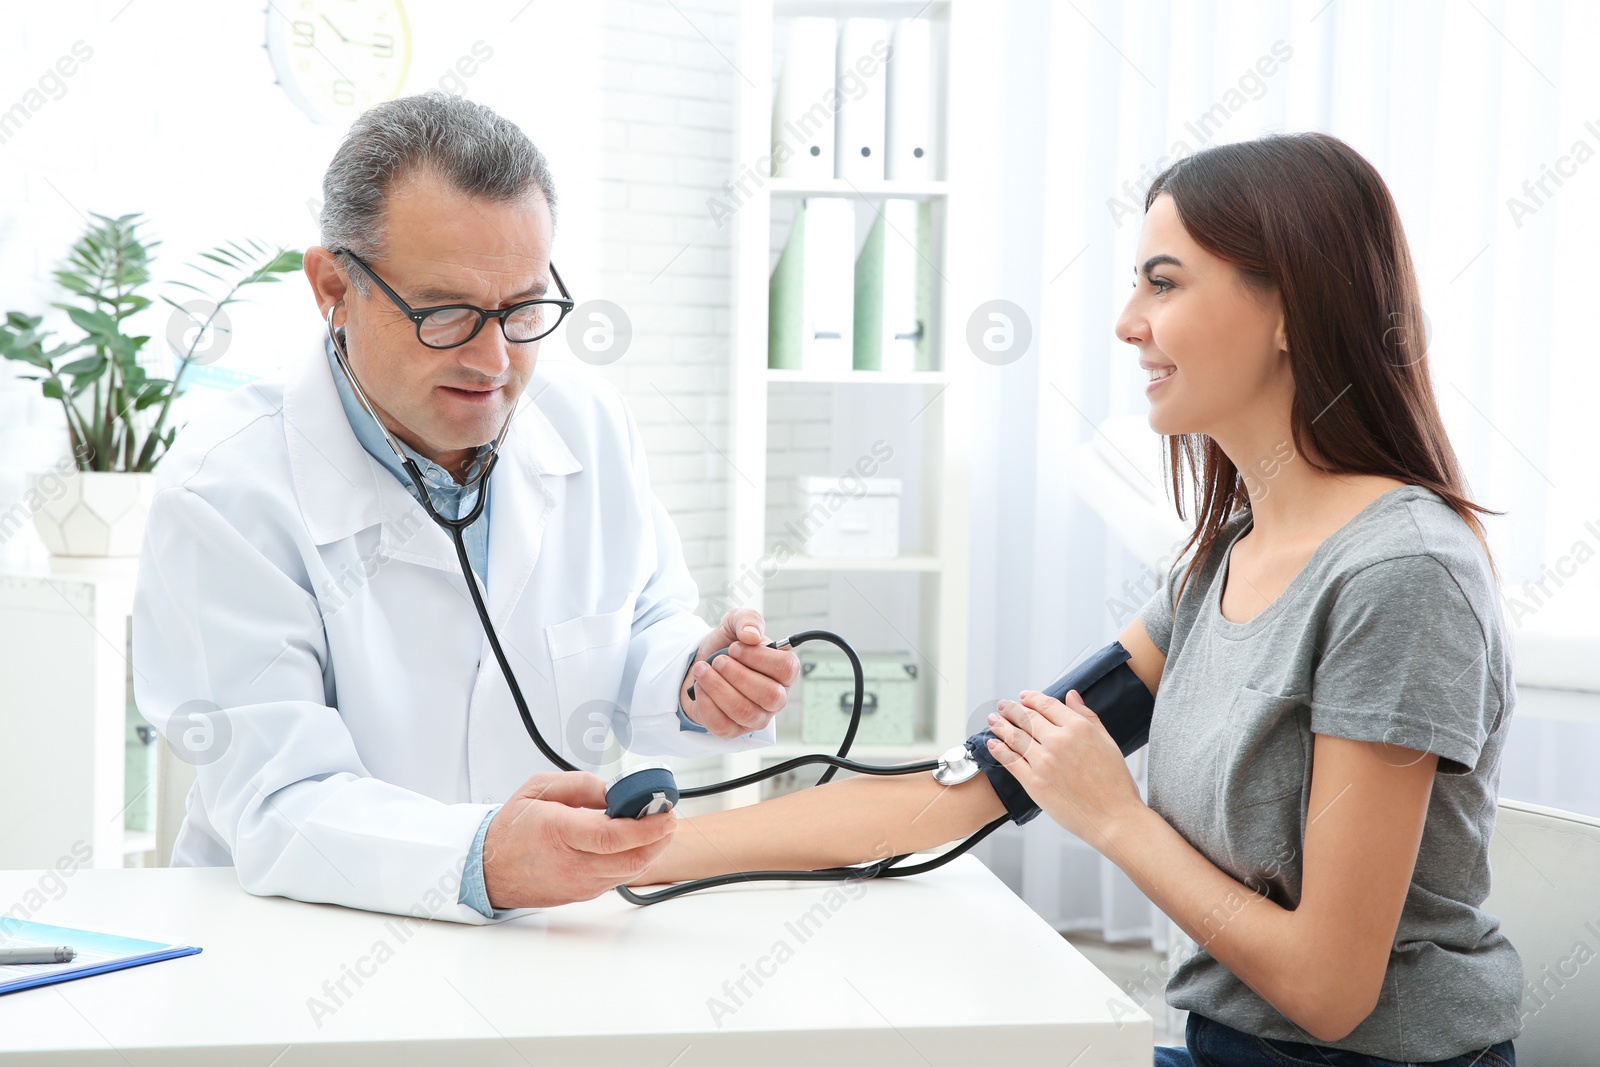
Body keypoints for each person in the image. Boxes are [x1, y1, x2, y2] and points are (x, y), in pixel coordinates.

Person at [633, 132, 1521, 1066]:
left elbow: (1331, 990)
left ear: (1290, 306)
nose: (1128, 322)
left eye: (1164, 283)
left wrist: (1114, 818)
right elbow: (964, 790)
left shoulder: (1402, 576)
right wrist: (638, 853)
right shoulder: (1221, 562)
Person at [132, 92, 799, 923]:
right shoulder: (226, 490)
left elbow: (642, 622)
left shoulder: (585, 421)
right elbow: (279, 800)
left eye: (523, 310)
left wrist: (697, 680)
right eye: (447, 312)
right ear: (334, 285)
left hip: (548, 932)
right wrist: (482, 856)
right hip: (293, 941)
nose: (494, 360)